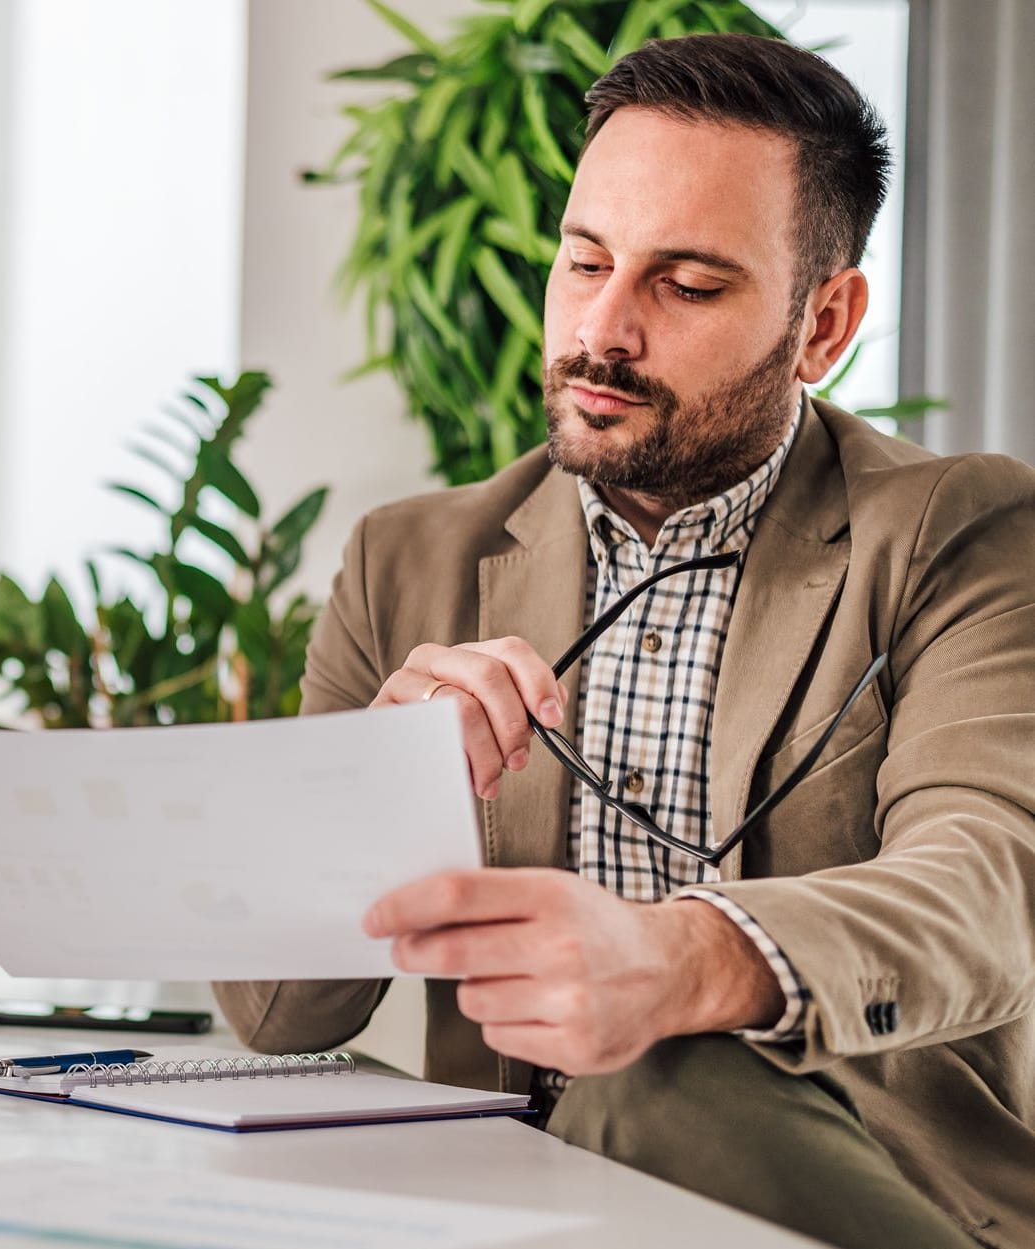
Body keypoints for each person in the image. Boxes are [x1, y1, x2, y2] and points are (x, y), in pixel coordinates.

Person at [215, 32, 1035, 1249]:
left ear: (823, 324)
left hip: (875, 1194)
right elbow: (276, 1013)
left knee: (659, 1077)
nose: (600, 330)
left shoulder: (962, 533)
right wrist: (364, 797)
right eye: (583, 260)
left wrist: (682, 959)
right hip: (503, 1211)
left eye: (686, 285)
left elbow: (988, 892)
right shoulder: (409, 558)